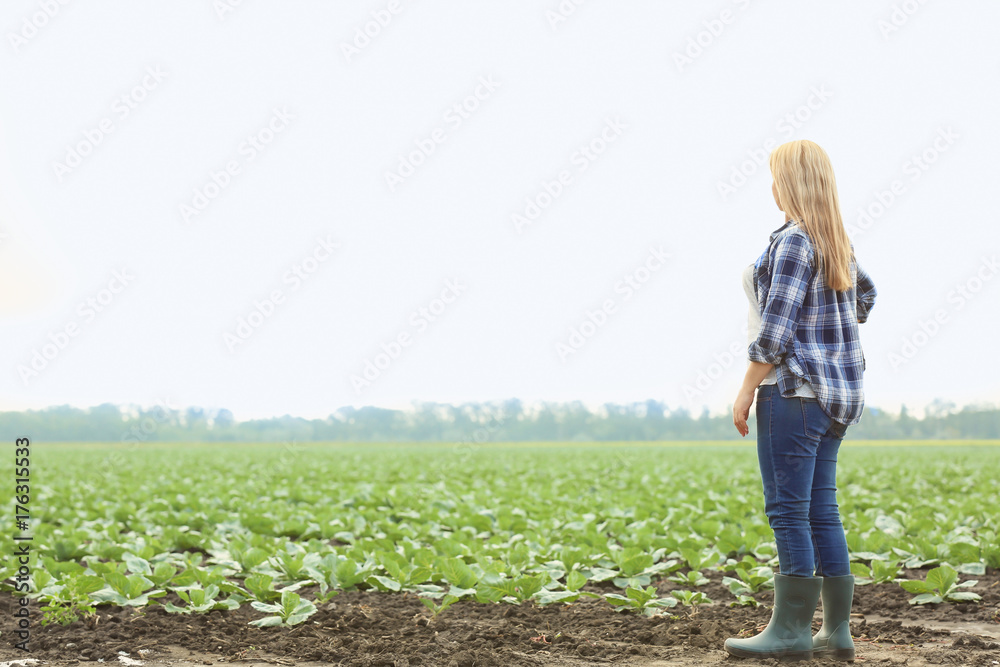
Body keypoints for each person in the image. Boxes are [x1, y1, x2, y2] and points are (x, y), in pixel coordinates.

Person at [726, 139, 877, 662]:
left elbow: (775, 334)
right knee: (821, 512)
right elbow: (865, 299)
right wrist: (827, 335)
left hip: (790, 394)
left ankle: (790, 631)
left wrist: (746, 388)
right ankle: (836, 632)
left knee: (788, 511)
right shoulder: (836, 241)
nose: (770, 186)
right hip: (835, 398)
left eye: (774, 176)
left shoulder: (792, 241)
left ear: (786, 184)